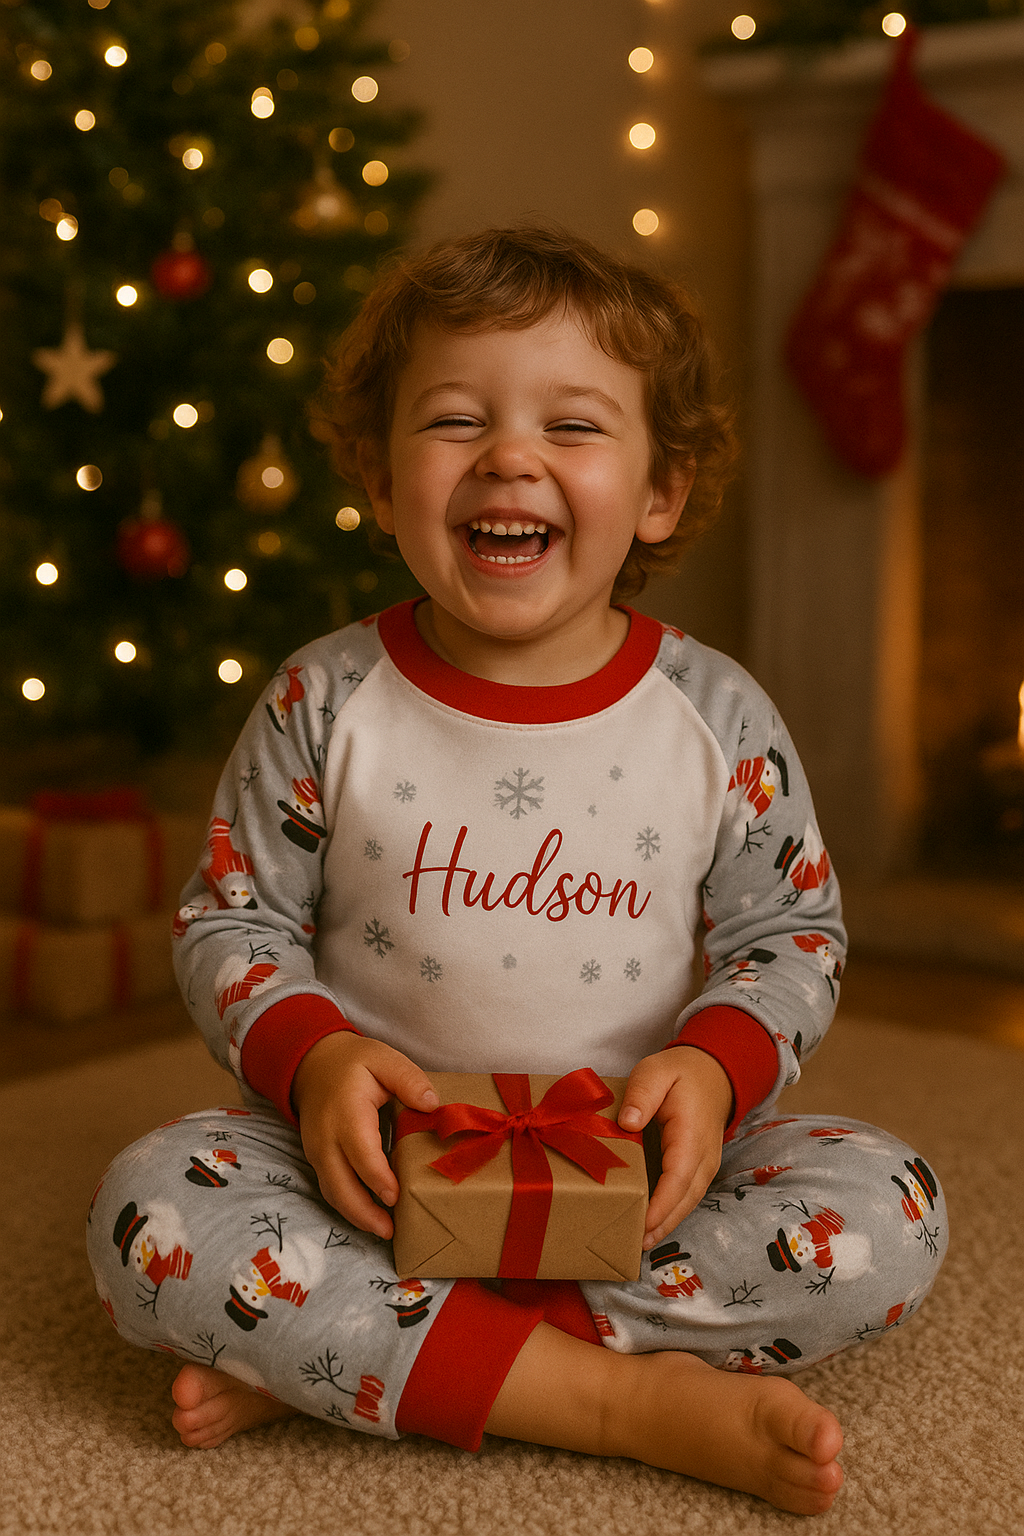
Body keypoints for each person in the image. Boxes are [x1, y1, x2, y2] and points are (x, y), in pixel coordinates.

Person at [87, 226, 946, 1517]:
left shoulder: (715, 711)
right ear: (380, 477)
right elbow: (233, 919)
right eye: (453, 420)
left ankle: (368, 1354)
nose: (509, 455)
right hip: (370, 1175)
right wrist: (315, 1057)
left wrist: (715, 1068)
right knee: (147, 1214)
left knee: (892, 1212)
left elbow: (792, 933)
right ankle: (611, 1394)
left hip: (636, 1174)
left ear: (661, 491)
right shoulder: (325, 700)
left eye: (575, 425)